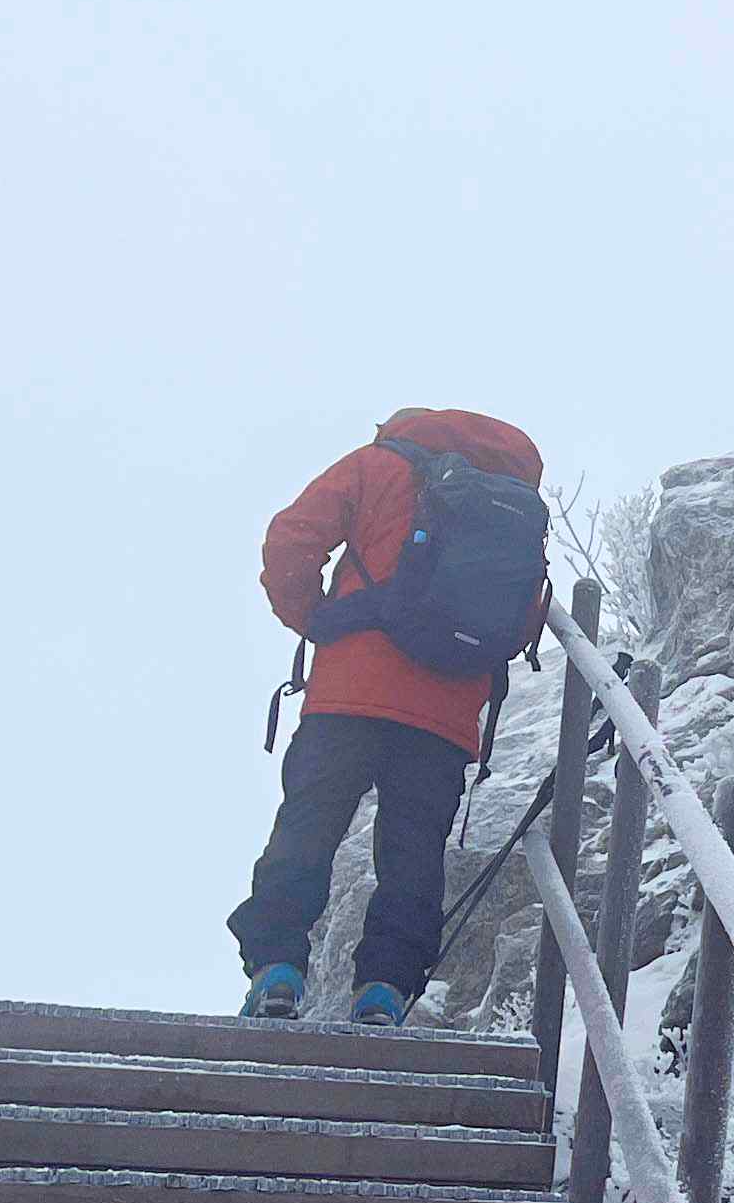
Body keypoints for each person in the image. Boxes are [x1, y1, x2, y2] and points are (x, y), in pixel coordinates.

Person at [228, 407, 550, 1026]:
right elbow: (524, 617)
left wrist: (317, 619)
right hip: (445, 711)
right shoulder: (515, 507)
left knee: (309, 827)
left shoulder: (380, 464)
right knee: (413, 852)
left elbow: (292, 538)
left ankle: (277, 969)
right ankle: (384, 990)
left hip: (350, 691)